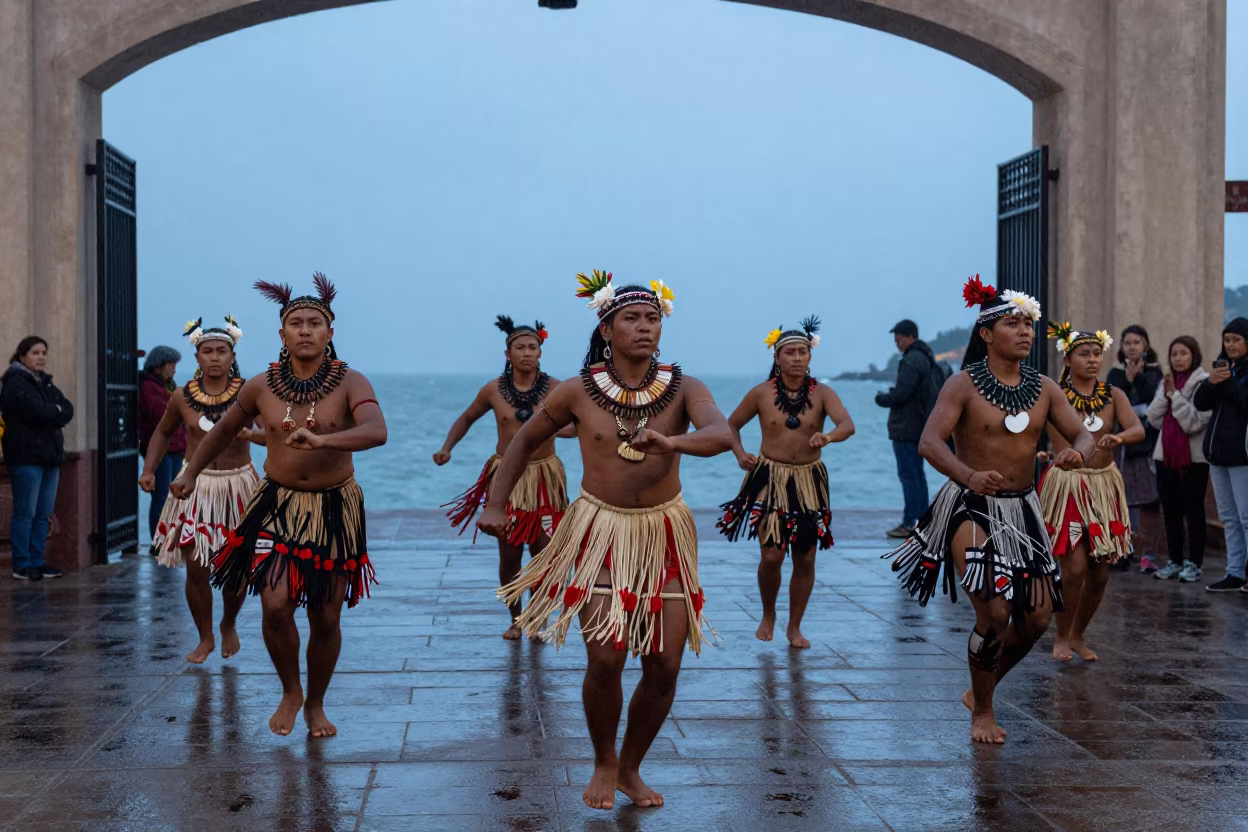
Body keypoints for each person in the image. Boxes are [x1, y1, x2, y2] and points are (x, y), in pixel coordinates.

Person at [478, 271, 731, 810]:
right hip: (601, 531)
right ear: (608, 329)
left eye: (652, 318)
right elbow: (523, 442)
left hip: (664, 531)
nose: (644, 327)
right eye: (631, 318)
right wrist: (496, 503)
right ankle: (603, 761)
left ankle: (631, 768)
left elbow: (720, 436)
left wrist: (673, 439)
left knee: (664, 664)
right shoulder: (576, 390)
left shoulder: (685, 388)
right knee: (606, 660)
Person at [172, 273, 387, 737]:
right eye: (296, 322)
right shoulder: (259, 386)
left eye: (314, 323)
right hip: (275, 504)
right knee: (274, 605)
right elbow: (225, 431)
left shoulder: (351, 381)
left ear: (330, 333)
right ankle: (291, 690)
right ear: (282, 334)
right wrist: (189, 473)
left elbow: (376, 430)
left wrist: (325, 438)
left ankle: (316, 703)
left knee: (326, 616)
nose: (305, 330)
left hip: (333, 509)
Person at [884, 275, 1095, 744]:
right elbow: (929, 441)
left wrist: (1078, 450)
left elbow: (1083, 433)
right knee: (995, 613)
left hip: (1024, 510)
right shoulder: (961, 385)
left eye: (1027, 323)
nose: (1024, 331)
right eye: (1012, 323)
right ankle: (983, 710)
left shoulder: (1043, 388)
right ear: (986, 333)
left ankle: (984, 684)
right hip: (971, 506)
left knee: (1038, 618)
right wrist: (968, 474)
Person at [718, 316, 854, 648]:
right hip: (770, 479)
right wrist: (739, 455)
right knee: (772, 557)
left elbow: (847, 424)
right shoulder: (761, 394)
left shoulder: (823, 393)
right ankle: (768, 613)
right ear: (777, 358)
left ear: (810, 357)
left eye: (802, 352)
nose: (796, 357)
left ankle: (794, 626)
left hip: (809, 481)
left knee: (805, 557)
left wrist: (829, 436)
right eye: (790, 352)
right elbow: (730, 426)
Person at [435, 315, 572, 639]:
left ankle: (537, 617)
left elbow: (581, 423)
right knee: (509, 554)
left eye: (532, 347)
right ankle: (516, 617)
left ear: (540, 352)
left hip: (545, 479)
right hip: (507, 478)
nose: (527, 352)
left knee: (545, 552)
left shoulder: (557, 389)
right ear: (507, 354)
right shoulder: (493, 390)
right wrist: (447, 448)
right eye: (520, 347)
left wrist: (562, 430)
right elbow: (467, 418)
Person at [140, 316, 263, 663]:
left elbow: (271, 433)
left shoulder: (249, 393)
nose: (214, 357)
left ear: (231, 354)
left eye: (221, 351)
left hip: (240, 484)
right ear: (197, 357)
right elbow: (163, 433)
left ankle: (229, 623)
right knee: (196, 567)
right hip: (195, 486)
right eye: (207, 351)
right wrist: (149, 469)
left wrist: (251, 435)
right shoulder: (181, 397)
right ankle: (205, 636)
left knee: (237, 566)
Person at [1037, 325, 1144, 662]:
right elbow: (1025, 428)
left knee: (1099, 573)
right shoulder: (1054, 395)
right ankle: (1061, 636)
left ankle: (1079, 635)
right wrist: (1041, 454)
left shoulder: (1113, 395)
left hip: (1103, 488)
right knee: (1074, 568)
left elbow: (1137, 429)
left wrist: (1120, 439)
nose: (1093, 359)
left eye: (1097, 353)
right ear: (1068, 357)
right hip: (1068, 487)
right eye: (1084, 353)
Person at [1, 336, 73, 581]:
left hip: (50, 458)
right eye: (35, 352)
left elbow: (68, 408)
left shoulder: (45, 383)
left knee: (43, 514)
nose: (41, 357)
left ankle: (37, 561)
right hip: (26, 459)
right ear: (22, 356)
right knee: (25, 513)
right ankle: (21, 565)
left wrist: (54, 411)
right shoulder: (14, 384)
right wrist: (54, 411)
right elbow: (38, 412)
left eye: (44, 352)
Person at [1148, 336, 1211, 583]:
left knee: (1193, 511)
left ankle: (1194, 563)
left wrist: (1175, 396)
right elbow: (1153, 418)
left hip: (1193, 459)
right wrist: (1168, 392)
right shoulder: (1167, 382)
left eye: (1183, 353)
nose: (1178, 359)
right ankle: (1174, 560)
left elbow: (1194, 421)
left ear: (1194, 355)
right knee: (1171, 510)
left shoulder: (1204, 383)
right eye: (1174, 354)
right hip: (1165, 456)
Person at [1193, 317, 1248, 593]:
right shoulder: (1223, 370)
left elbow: (1244, 403)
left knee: (1246, 517)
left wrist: (1227, 383)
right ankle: (1235, 573)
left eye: (1237, 340)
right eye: (1227, 340)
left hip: (1242, 457)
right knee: (1229, 517)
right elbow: (1200, 403)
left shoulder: (1243, 373)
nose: (1231, 345)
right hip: (1217, 456)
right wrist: (1211, 383)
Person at [1105, 325, 1164, 571]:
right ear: (1120, 347)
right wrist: (1128, 382)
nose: (1131, 346)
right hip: (1121, 445)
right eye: (1127, 342)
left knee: (1150, 499)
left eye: (1137, 342)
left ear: (1146, 346)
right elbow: (1112, 405)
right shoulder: (1115, 374)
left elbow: (1155, 399)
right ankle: (1122, 550)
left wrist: (1137, 378)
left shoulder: (1155, 373)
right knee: (1122, 499)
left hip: (1148, 446)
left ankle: (1147, 554)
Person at [875, 319, 938, 538]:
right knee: (917, 475)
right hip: (919, 425)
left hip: (907, 427)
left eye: (899, 337)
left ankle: (910, 522)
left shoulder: (912, 359)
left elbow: (902, 394)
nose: (896, 342)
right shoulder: (926, 357)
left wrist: (883, 398)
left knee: (909, 475)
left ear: (910, 336)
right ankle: (923, 520)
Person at [139, 345, 186, 553]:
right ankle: (158, 543)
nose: (174, 369)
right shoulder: (149, 386)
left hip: (176, 447)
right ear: (159, 366)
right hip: (160, 450)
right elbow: (162, 414)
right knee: (161, 497)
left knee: (173, 496)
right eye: (171, 365)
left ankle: (168, 538)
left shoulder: (168, 386)